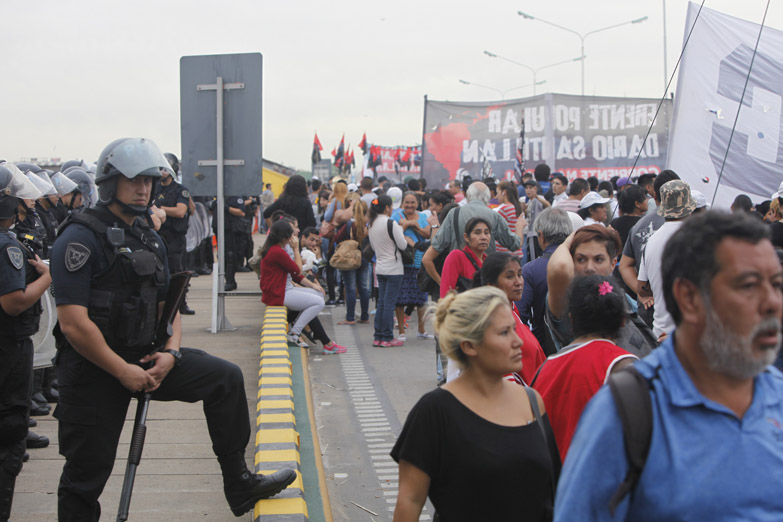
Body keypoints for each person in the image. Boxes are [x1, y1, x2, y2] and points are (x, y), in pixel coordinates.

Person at [50, 138, 296, 520]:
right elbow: (73, 323)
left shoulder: (149, 235)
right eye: (133, 180)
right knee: (86, 476)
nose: (144, 189)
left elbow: (170, 305)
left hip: (146, 358)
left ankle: (239, 482)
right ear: (109, 182)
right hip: (94, 371)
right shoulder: (79, 237)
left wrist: (171, 352)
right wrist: (122, 370)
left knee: (225, 379)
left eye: (149, 180)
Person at [554, 211, 783, 520]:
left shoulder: (776, 395)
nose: (772, 302)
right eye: (749, 285)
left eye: (777, 284)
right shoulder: (627, 412)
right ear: (689, 297)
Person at [391, 286, 560, 522]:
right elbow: (410, 501)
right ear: (469, 345)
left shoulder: (532, 401)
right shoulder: (434, 412)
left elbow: (552, 492)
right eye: (504, 333)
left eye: (514, 329)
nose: (518, 341)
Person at [531, 275, 636, 461]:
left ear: (571, 319)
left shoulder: (543, 370)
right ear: (622, 321)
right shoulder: (624, 366)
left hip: (556, 486)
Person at [0, 165, 50, 521]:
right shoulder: (7, 246)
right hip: (8, 348)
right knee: (10, 430)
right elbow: (15, 301)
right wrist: (47, 278)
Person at [546, 225, 656, 357]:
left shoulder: (623, 299)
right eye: (581, 259)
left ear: (612, 264)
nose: (590, 268)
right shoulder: (568, 301)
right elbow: (560, 267)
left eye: (598, 259)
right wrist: (573, 237)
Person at [260, 219, 346, 354]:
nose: (292, 238)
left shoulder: (275, 249)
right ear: (284, 237)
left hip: (281, 289)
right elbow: (297, 271)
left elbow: (297, 275)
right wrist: (295, 249)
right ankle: (295, 332)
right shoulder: (278, 251)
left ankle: (301, 330)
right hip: (278, 293)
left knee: (317, 295)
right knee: (318, 302)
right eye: (290, 235)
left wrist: (313, 286)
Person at [421, 182, 522, 279]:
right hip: (486, 276)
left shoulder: (454, 214)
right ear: (488, 198)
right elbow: (514, 244)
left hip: (459, 276)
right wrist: (519, 227)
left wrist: (441, 282)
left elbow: (436, 246)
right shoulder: (494, 216)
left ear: (468, 196)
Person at [473, 252, 546, 385]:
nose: (518, 282)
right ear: (491, 285)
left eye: (519, 274)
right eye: (510, 276)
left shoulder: (511, 309)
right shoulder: (491, 321)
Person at [637, 180, 697, 342]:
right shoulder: (701, 240)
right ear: (690, 208)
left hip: (660, 335)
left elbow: (642, 289)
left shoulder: (651, 242)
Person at [517, 208, 573, 355]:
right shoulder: (583, 263)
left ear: (541, 236)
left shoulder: (530, 270)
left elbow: (520, 315)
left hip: (545, 350)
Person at [155, 152, 195, 315]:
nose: (162, 172)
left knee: (177, 272)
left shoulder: (180, 190)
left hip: (175, 238)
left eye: (165, 169)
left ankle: (181, 304)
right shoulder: (154, 188)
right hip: (158, 236)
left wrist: (159, 210)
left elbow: (180, 211)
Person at [368, 195, 408, 347]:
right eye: (391, 206)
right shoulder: (391, 223)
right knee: (389, 303)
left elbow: (373, 247)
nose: (392, 209)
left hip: (380, 267)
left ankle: (378, 336)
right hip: (394, 268)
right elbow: (403, 245)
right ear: (386, 207)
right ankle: (387, 337)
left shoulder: (370, 224)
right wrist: (401, 230)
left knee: (382, 304)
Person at [393, 192, 432, 341]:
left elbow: (429, 234)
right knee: (400, 298)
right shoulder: (396, 217)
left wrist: (413, 225)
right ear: (402, 203)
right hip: (402, 262)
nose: (409, 205)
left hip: (421, 262)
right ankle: (401, 331)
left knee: (421, 298)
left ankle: (421, 330)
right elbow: (393, 233)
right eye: (407, 202)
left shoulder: (422, 217)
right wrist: (404, 228)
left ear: (418, 204)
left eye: (413, 202)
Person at [334, 195, 371, 325]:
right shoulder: (368, 225)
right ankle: (365, 316)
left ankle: (350, 318)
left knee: (350, 287)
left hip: (350, 258)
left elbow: (337, 238)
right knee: (363, 287)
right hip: (364, 257)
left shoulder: (350, 224)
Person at [439, 217, 490, 298]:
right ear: (466, 237)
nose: (483, 237)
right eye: (477, 233)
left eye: (486, 233)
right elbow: (445, 294)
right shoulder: (457, 256)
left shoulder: (489, 262)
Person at [495, 181, 527, 258]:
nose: (496, 197)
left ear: (504, 192)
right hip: (517, 252)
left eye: (498, 193)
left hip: (505, 253)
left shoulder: (504, 209)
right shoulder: (518, 208)